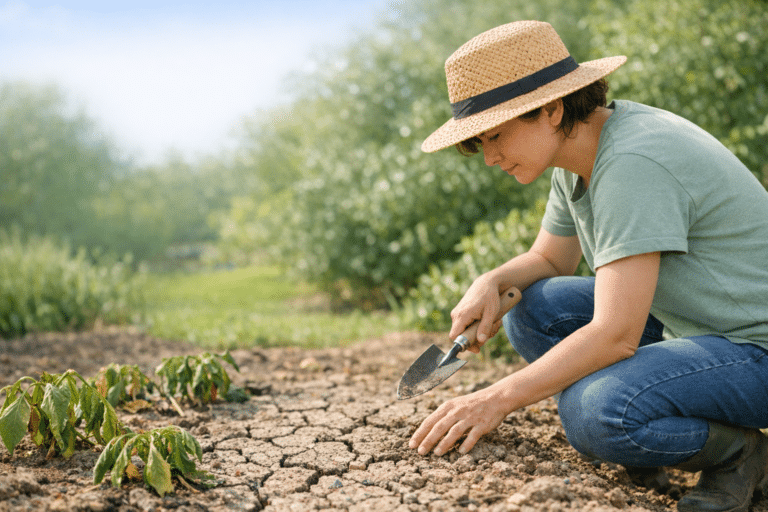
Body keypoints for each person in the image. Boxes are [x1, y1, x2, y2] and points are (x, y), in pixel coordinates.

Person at [409, 20, 768, 512]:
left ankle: (740, 454)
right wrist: (491, 281)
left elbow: (616, 334)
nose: (490, 157)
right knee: (533, 307)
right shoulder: (581, 155)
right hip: (702, 327)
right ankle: (656, 435)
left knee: (596, 411)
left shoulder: (632, 162)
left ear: (551, 109)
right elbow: (549, 260)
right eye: (481, 144)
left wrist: (494, 398)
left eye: (496, 136)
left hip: (756, 349)